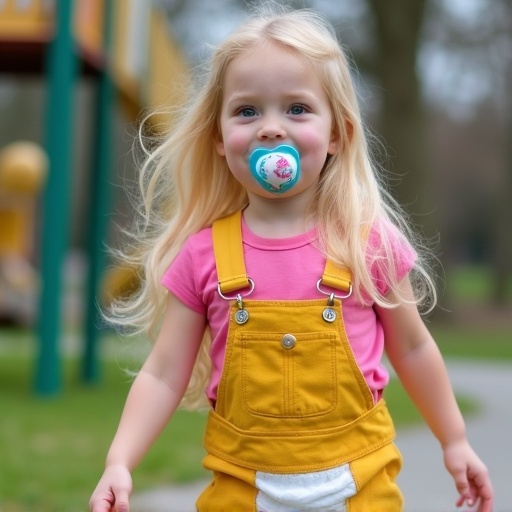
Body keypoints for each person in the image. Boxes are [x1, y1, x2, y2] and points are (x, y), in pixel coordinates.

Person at [89, 5, 494, 512]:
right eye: (247, 111)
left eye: (297, 109)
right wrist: (119, 460)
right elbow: (164, 372)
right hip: (241, 488)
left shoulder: (367, 244)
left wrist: (454, 439)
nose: (270, 129)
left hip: (361, 486)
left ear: (337, 135)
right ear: (218, 137)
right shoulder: (202, 255)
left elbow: (413, 349)